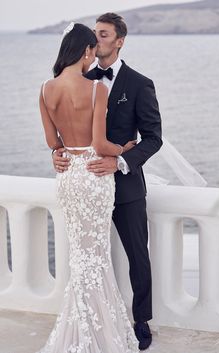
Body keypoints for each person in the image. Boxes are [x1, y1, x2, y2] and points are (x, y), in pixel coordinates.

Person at [53, 13, 163, 351]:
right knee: (88, 255)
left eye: (104, 34)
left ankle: (141, 320)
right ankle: (94, 322)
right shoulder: (78, 80)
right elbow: (65, 132)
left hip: (126, 188)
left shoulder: (139, 83)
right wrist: (57, 152)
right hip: (86, 186)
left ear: (119, 40)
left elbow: (153, 138)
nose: (97, 39)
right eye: (95, 34)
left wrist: (121, 161)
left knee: (137, 256)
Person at [38, 22, 139, 353]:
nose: (94, 57)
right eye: (92, 51)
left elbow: (54, 143)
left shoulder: (45, 89)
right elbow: (98, 142)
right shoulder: (97, 89)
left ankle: (81, 330)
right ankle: (96, 334)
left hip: (68, 177)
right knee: (96, 256)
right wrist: (124, 148)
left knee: (81, 257)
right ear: (85, 51)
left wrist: (62, 153)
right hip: (94, 176)